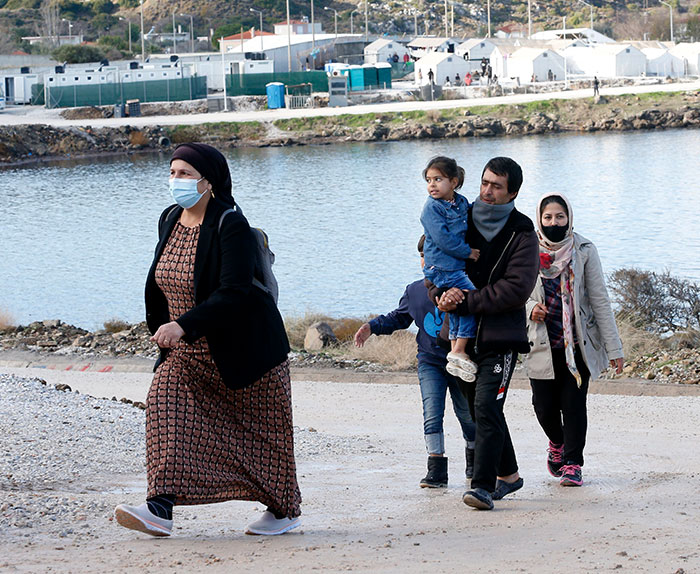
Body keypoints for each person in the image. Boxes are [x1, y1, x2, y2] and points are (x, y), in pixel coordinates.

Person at [114, 143, 302, 537]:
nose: (176, 181)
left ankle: (282, 508)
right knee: (164, 411)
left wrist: (183, 323)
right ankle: (159, 509)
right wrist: (169, 328)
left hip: (245, 351)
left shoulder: (229, 223)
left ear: (208, 181)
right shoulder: (169, 218)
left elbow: (234, 291)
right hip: (186, 354)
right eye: (173, 172)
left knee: (262, 439)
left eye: (185, 174)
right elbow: (163, 277)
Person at [428, 157, 539, 511]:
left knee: (487, 407)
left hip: (501, 337)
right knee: (481, 412)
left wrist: (466, 301)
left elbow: (516, 289)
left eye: (496, 186)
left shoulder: (523, 232)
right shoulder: (459, 215)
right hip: (459, 337)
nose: (487, 192)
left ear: (513, 193)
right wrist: (440, 296)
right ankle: (509, 476)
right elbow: (435, 261)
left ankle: (483, 486)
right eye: (484, 183)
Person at [353, 236, 477, 489]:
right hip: (430, 362)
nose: (426, 261)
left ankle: (474, 464)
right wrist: (371, 327)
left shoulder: (465, 287)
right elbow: (398, 318)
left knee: (467, 416)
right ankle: (436, 469)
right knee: (432, 415)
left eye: (432, 255)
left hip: (461, 362)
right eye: (423, 256)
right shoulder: (415, 290)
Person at [525, 193, 624, 487]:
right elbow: (515, 292)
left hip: (577, 345)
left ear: (569, 218)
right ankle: (557, 442)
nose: (554, 222)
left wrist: (614, 348)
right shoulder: (526, 250)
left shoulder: (584, 249)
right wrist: (531, 308)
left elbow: (600, 301)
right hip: (540, 343)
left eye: (559, 217)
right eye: (548, 218)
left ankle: (573, 463)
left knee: (574, 405)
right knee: (542, 406)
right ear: (539, 219)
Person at [420, 156, 480, 384]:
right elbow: (443, 239)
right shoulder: (431, 209)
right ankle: (460, 349)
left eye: (438, 179)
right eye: (429, 180)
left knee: (454, 305)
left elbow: (472, 214)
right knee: (469, 299)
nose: (432, 185)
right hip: (442, 267)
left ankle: (455, 351)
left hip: (451, 267)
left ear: (454, 182)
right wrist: (468, 252)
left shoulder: (461, 202)